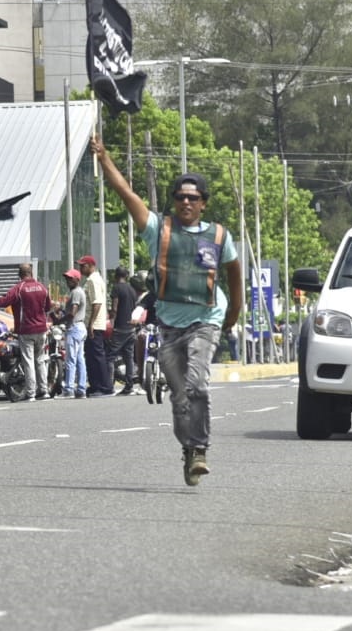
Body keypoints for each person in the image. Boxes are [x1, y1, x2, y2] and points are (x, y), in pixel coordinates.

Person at [91, 133, 242, 486]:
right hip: (170, 325)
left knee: (197, 387)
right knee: (178, 398)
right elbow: (127, 195)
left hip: (206, 320)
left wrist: (233, 314)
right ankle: (188, 451)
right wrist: (103, 157)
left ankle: (200, 447)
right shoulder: (159, 229)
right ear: (174, 201)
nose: (186, 202)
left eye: (193, 198)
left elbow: (235, 275)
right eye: (180, 197)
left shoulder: (219, 235)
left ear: (203, 203)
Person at [0, 263, 52, 400]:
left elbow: (3, 302)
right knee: (40, 360)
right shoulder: (42, 288)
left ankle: (31, 393)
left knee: (28, 361)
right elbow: (48, 307)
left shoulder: (19, 288)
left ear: (20, 274)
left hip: (26, 330)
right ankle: (44, 391)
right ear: (31, 273)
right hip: (42, 329)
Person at [78, 255, 112, 397]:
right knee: (91, 356)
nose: (80, 268)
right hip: (93, 323)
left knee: (97, 356)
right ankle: (95, 385)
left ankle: (104, 387)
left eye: (82, 266)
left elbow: (96, 303)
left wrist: (91, 323)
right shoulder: (92, 279)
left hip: (94, 324)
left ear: (90, 266)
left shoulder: (93, 280)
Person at [108, 265, 138, 395]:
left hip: (120, 328)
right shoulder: (132, 290)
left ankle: (109, 386)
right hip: (130, 328)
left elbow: (115, 307)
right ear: (126, 276)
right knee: (129, 358)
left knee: (110, 357)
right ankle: (129, 386)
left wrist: (111, 322)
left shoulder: (116, 288)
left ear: (116, 276)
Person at [62, 269, 88, 398]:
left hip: (74, 327)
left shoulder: (76, 292)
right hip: (80, 327)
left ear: (77, 279)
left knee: (71, 360)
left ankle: (68, 389)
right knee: (79, 359)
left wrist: (59, 320)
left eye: (70, 278)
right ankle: (81, 389)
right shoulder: (76, 292)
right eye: (67, 278)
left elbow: (72, 313)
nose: (68, 281)